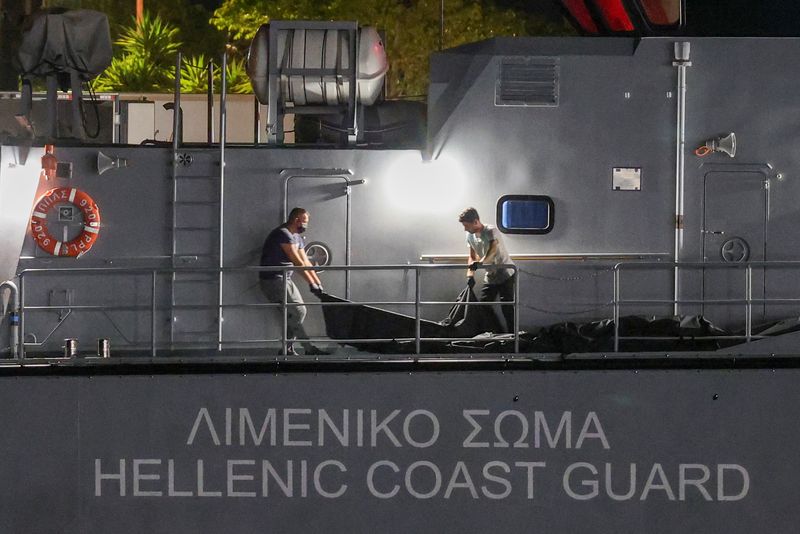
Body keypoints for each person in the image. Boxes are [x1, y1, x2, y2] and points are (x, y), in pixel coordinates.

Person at [259, 207, 328, 355]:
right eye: (304, 222)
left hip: (284, 279)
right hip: (273, 280)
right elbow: (297, 263)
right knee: (297, 311)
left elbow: (306, 262)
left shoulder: (297, 237)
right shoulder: (283, 234)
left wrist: (318, 283)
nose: (306, 225)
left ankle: (287, 348)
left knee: (296, 313)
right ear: (296, 220)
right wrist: (311, 284)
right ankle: (307, 349)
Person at [458, 207, 516, 333]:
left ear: (475, 222)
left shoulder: (490, 231)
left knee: (507, 308)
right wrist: (470, 275)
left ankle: (513, 337)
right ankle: (498, 332)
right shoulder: (469, 235)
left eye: (466, 225)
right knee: (483, 305)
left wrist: (481, 263)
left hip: (505, 273)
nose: (465, 229)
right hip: (491, 275)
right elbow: (472, 257)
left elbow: (492, 250)